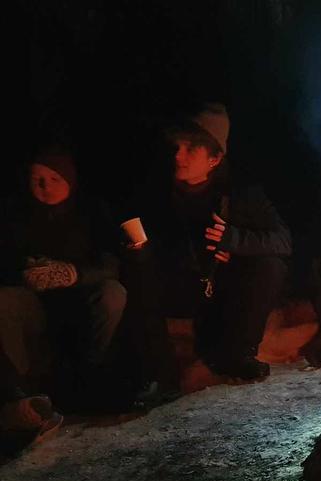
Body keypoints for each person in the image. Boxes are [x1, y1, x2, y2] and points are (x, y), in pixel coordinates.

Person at [126, 103, 291, 380]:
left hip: (225, 291)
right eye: (177, 146)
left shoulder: (240, 195)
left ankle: (240, 355)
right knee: (138, 270)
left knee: (270, 265)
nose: (179, 155)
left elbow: (283, 242)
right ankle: (156, 370)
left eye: (191, 149)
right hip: (181, 291)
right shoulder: (158, 196)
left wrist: (234, 241)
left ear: (214, 159)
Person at [1, 146, 126, 419]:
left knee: (113, 293)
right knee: (6, 300)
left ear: (70, 180)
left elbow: (110, 265)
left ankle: (93, 374)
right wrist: (25, 274)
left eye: (55, 179)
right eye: (38, 180)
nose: (46, 187)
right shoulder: (16, 214)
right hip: (38, 308)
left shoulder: (92, 212)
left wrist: (72, 274)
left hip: (80, 302)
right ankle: (25, 389)